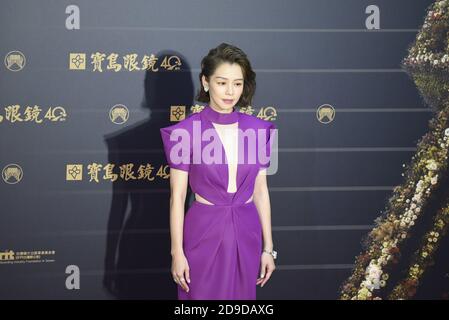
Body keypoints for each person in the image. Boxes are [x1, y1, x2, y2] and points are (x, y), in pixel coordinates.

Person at [160, 43, 277, 300]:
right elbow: (177, 198)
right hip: (203, 232)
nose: (230, 92)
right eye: (222, 82)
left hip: (247, 231)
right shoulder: (184, 133)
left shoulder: (261, 131)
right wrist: (177, 252)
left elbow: (260, 191)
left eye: (237, 83)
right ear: (205, 82)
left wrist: (268, 248)